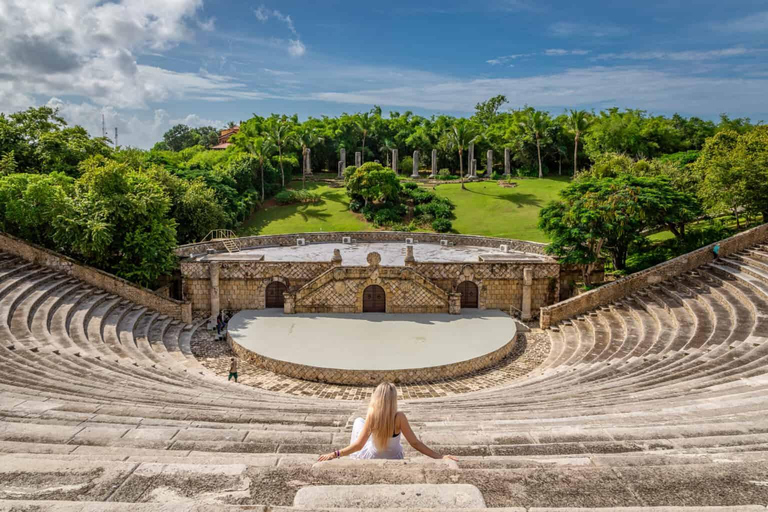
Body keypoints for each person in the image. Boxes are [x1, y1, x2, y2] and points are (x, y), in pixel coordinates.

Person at [317, 382, 458, 462]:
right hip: (395, 457)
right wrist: (440, 457)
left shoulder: (372, 415)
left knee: (358, 421)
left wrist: (334, 454)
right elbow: (415, 443)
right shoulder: (400, 417)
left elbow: (358, 446)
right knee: (362, 422)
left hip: (372, 457)